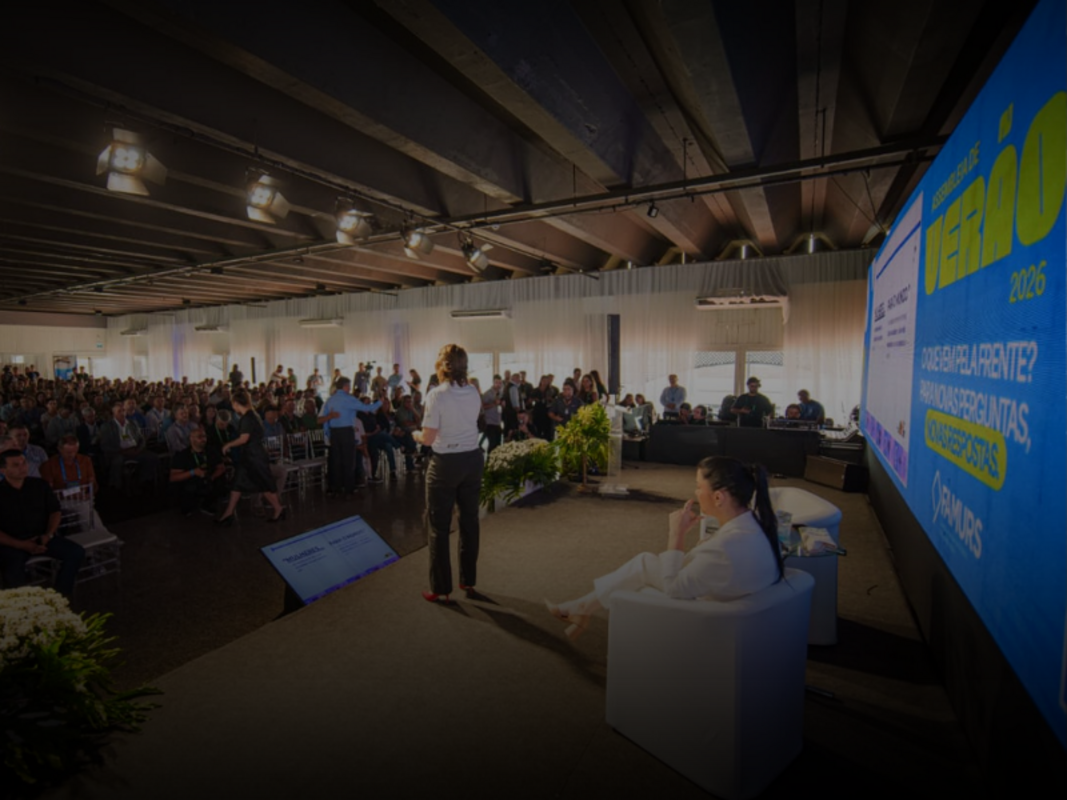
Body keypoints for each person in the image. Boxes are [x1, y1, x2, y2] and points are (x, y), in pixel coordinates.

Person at [545, 456, 782, 640]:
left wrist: (676, 534)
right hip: (734, 613)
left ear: (718, 497)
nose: (695, 493)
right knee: (645, 562)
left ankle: (581, 608)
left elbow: (674, 588)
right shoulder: (752, 528)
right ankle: (582, 608)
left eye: (699, 487)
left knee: (641, 572)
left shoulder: (726, 547)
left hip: (709, 621)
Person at [413, 344, 483, 603]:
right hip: (472, 460)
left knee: (439, 526)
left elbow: (428, 439)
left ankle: (441, 588)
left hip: (446, 464)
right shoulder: (473, 391)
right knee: (469, 522)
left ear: (443, 366)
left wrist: (415, 434)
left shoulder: (437, 395)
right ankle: (468, 580)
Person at [0, 449, 86, 598]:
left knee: (76, 553)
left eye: (24, 463)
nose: (22, 467)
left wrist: (49, 534)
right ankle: (22, 604)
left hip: (42, 536)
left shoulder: (39, 485)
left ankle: (60, 595)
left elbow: (55, 511)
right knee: (12, 571)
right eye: (15, 465)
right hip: (13, 543)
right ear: (3, 470)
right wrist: (22, 545)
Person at [215, 390, 286, 525]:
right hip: (250, 456)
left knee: (263, 484)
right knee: (237, 483)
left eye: (233, 404)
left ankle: (278, 508)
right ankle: (228, 513)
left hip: (254, 457)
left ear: (237, 403)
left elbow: (244, 438)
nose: (233, 407)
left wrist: (228, 444)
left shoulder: (247, 418)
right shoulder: (253, 415)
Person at [318, 378, 381, 497]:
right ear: (346, 386)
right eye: (349, 386)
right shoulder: (349, 399)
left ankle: (336, 489)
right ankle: (348, 489)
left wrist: (328, 431)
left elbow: (321, 420)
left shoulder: (330, 400)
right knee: (349, 461)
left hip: (334, 433)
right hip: (346, 432)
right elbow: (367, 408)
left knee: (336, 461)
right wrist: (379, 402)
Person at [170, 426, 227, 517]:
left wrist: (212, 477)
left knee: (221, 480)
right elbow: (173, 477)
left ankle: (207, 504)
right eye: (199, 437)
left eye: (204, 436)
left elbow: (221, 467)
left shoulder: (211, 451)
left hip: (209, 478)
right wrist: (193, 472)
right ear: (191, 439)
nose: (203, 439)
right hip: (191, 480)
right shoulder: (182, 455)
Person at [481, 375, 504, 452]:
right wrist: (494, 404)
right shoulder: (488, 393)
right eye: (496, 383)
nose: (498, 385)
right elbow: (482, 406)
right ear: (493, 382)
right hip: (490, 422)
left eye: (500, 383)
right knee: (492, 444)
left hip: (498, 422)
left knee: (498, 444)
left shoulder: (501, 393)